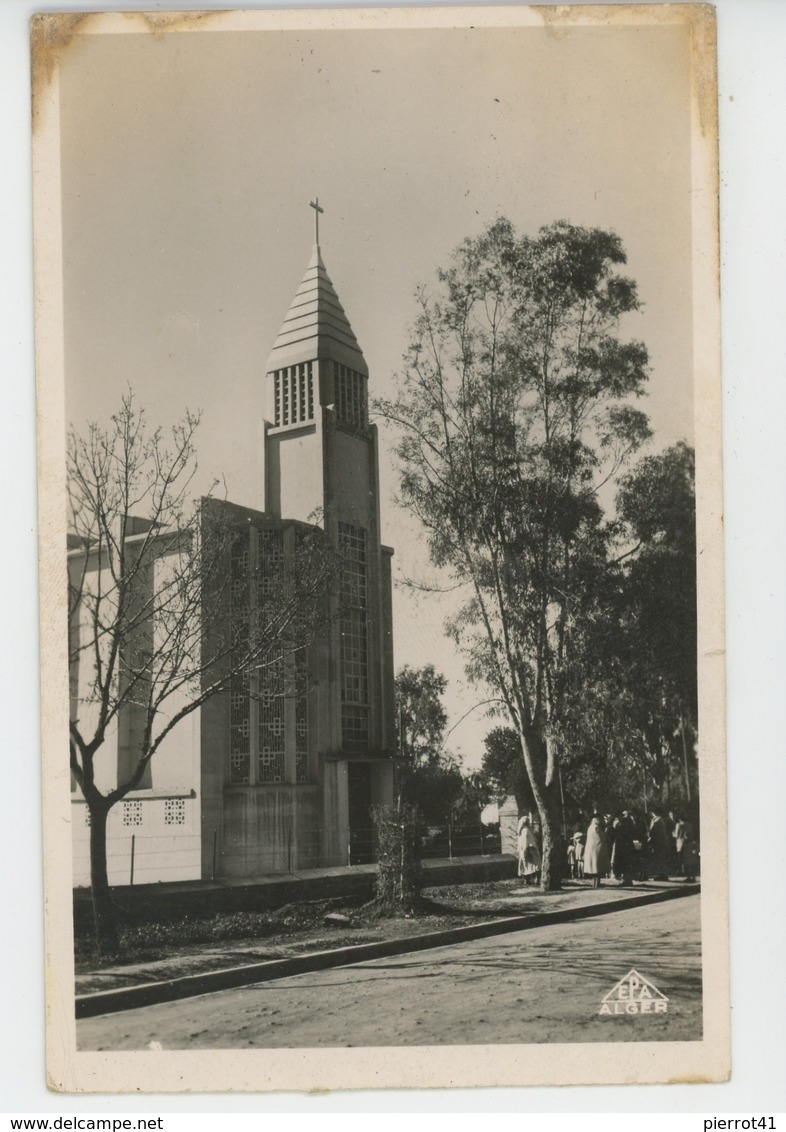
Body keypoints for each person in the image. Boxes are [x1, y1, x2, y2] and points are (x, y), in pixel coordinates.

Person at [583, 815, 610, 889]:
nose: (599, 821)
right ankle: (597, 883)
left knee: (594, 868)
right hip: (597, 850)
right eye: (598, 820)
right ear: (595, 820)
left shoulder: (589, 828)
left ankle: (595, 883)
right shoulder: (596, 828)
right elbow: (601, 838)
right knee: (598, 867)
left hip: (591, 850)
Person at [647, 808, 671, 880]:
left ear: (652, 812)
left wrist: (648, 835)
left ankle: (662, 875)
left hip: (658, 843)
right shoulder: (660, 820)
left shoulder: (657, 820)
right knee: (661, 859)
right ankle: (662, 875)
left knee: (659, 859)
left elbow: (652, 831)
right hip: (661, 843)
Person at [517, 814, 541, 885]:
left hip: (528, 849)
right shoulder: (525, 830)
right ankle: (529, 879)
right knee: (533, 864)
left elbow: (526, 840)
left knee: (530, 864)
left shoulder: (525, 830)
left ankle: (533, 879)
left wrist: (524, 849)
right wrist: (525, 849)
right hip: (528, 849)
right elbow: (525, 841)